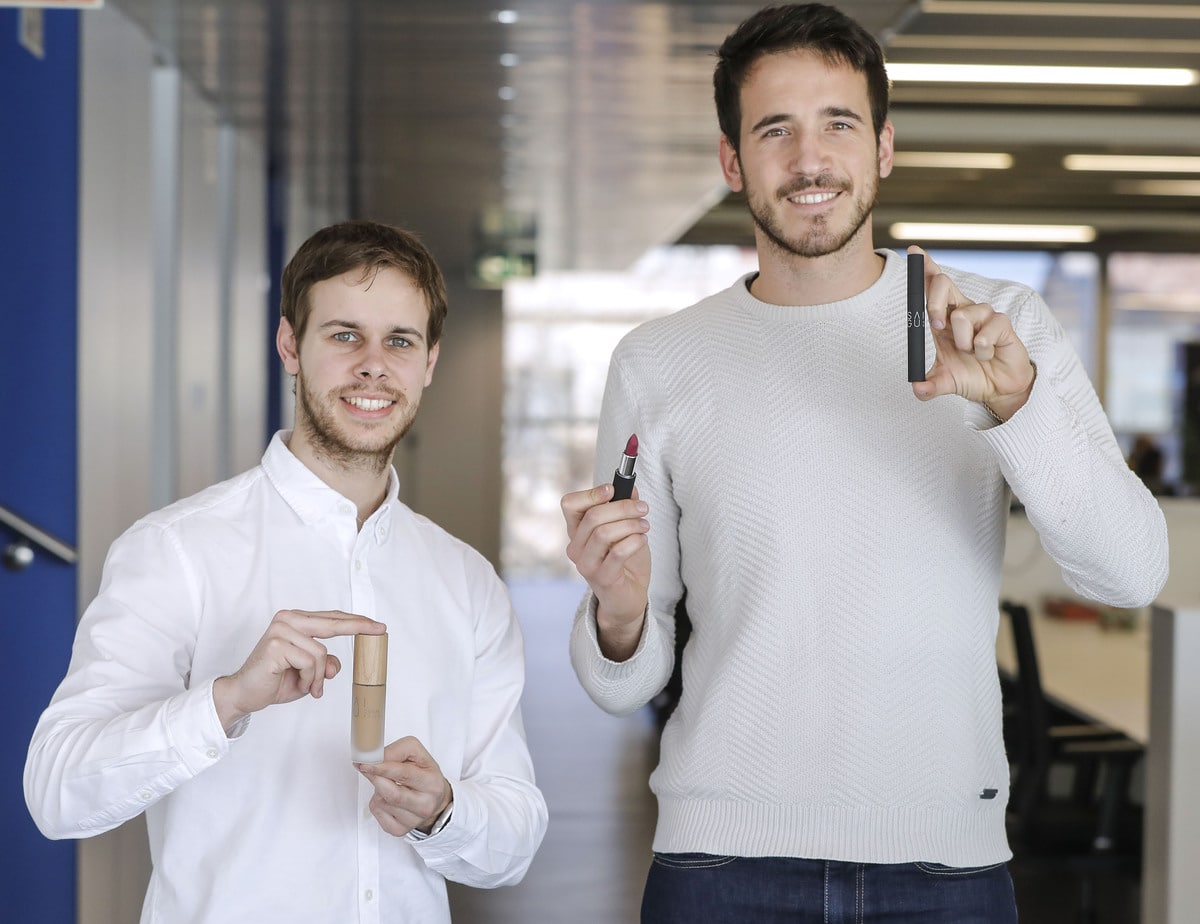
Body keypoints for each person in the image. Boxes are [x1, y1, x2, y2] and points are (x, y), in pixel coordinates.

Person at [559, 4, 1168, 922]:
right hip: (721, 864)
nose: (810, 160)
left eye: (838, 124)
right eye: (775, 130)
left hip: (945, 865)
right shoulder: (659, 362)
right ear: (732, 160)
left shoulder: (999, 329)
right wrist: (618, 613)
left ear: (883, 147)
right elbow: (626, 682)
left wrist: (1018, 408)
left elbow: (1132, 573)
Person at [25, 220, 548, 923]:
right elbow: (56, 792)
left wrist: (446, 813)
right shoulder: (177, 551)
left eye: (400, 341)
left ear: (429, 362)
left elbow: (515, 839)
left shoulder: (467, 582)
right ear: (290, 345)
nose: (373, 365)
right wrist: (226, 701)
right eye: (345, 335)